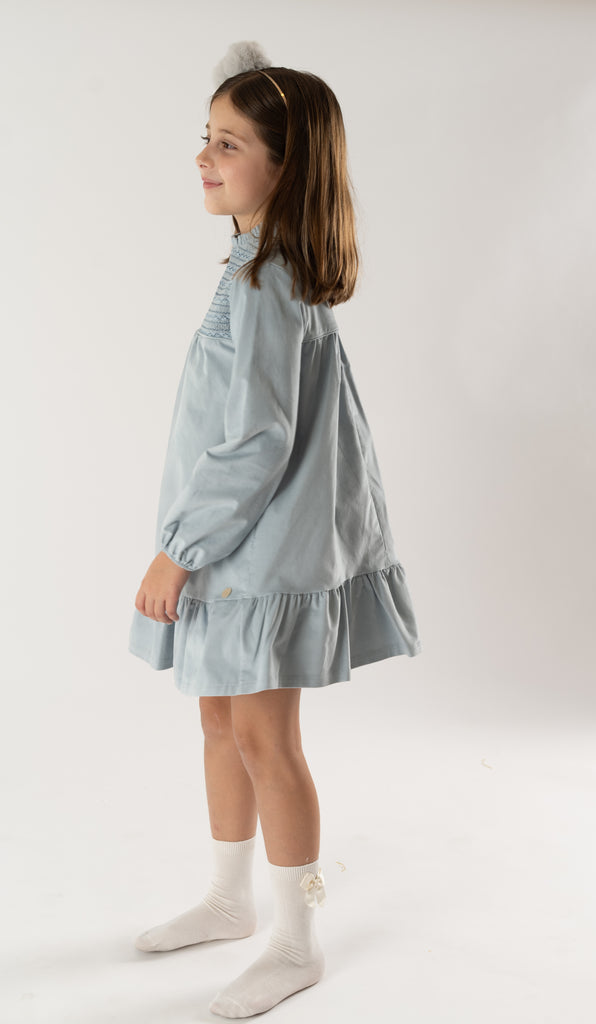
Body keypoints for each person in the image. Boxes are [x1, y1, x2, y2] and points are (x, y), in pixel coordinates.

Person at [128, 41, 421, 1019]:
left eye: (228, 143)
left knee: (264, 737)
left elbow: (257, 441)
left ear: (285, 167)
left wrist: (177, 550)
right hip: (235, 552)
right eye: (204, 138)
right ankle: (228, 897)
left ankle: (295, 941)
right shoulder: (251, 268)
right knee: (219, 720)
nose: (203, 158)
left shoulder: (266, 282)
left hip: (251, 553)